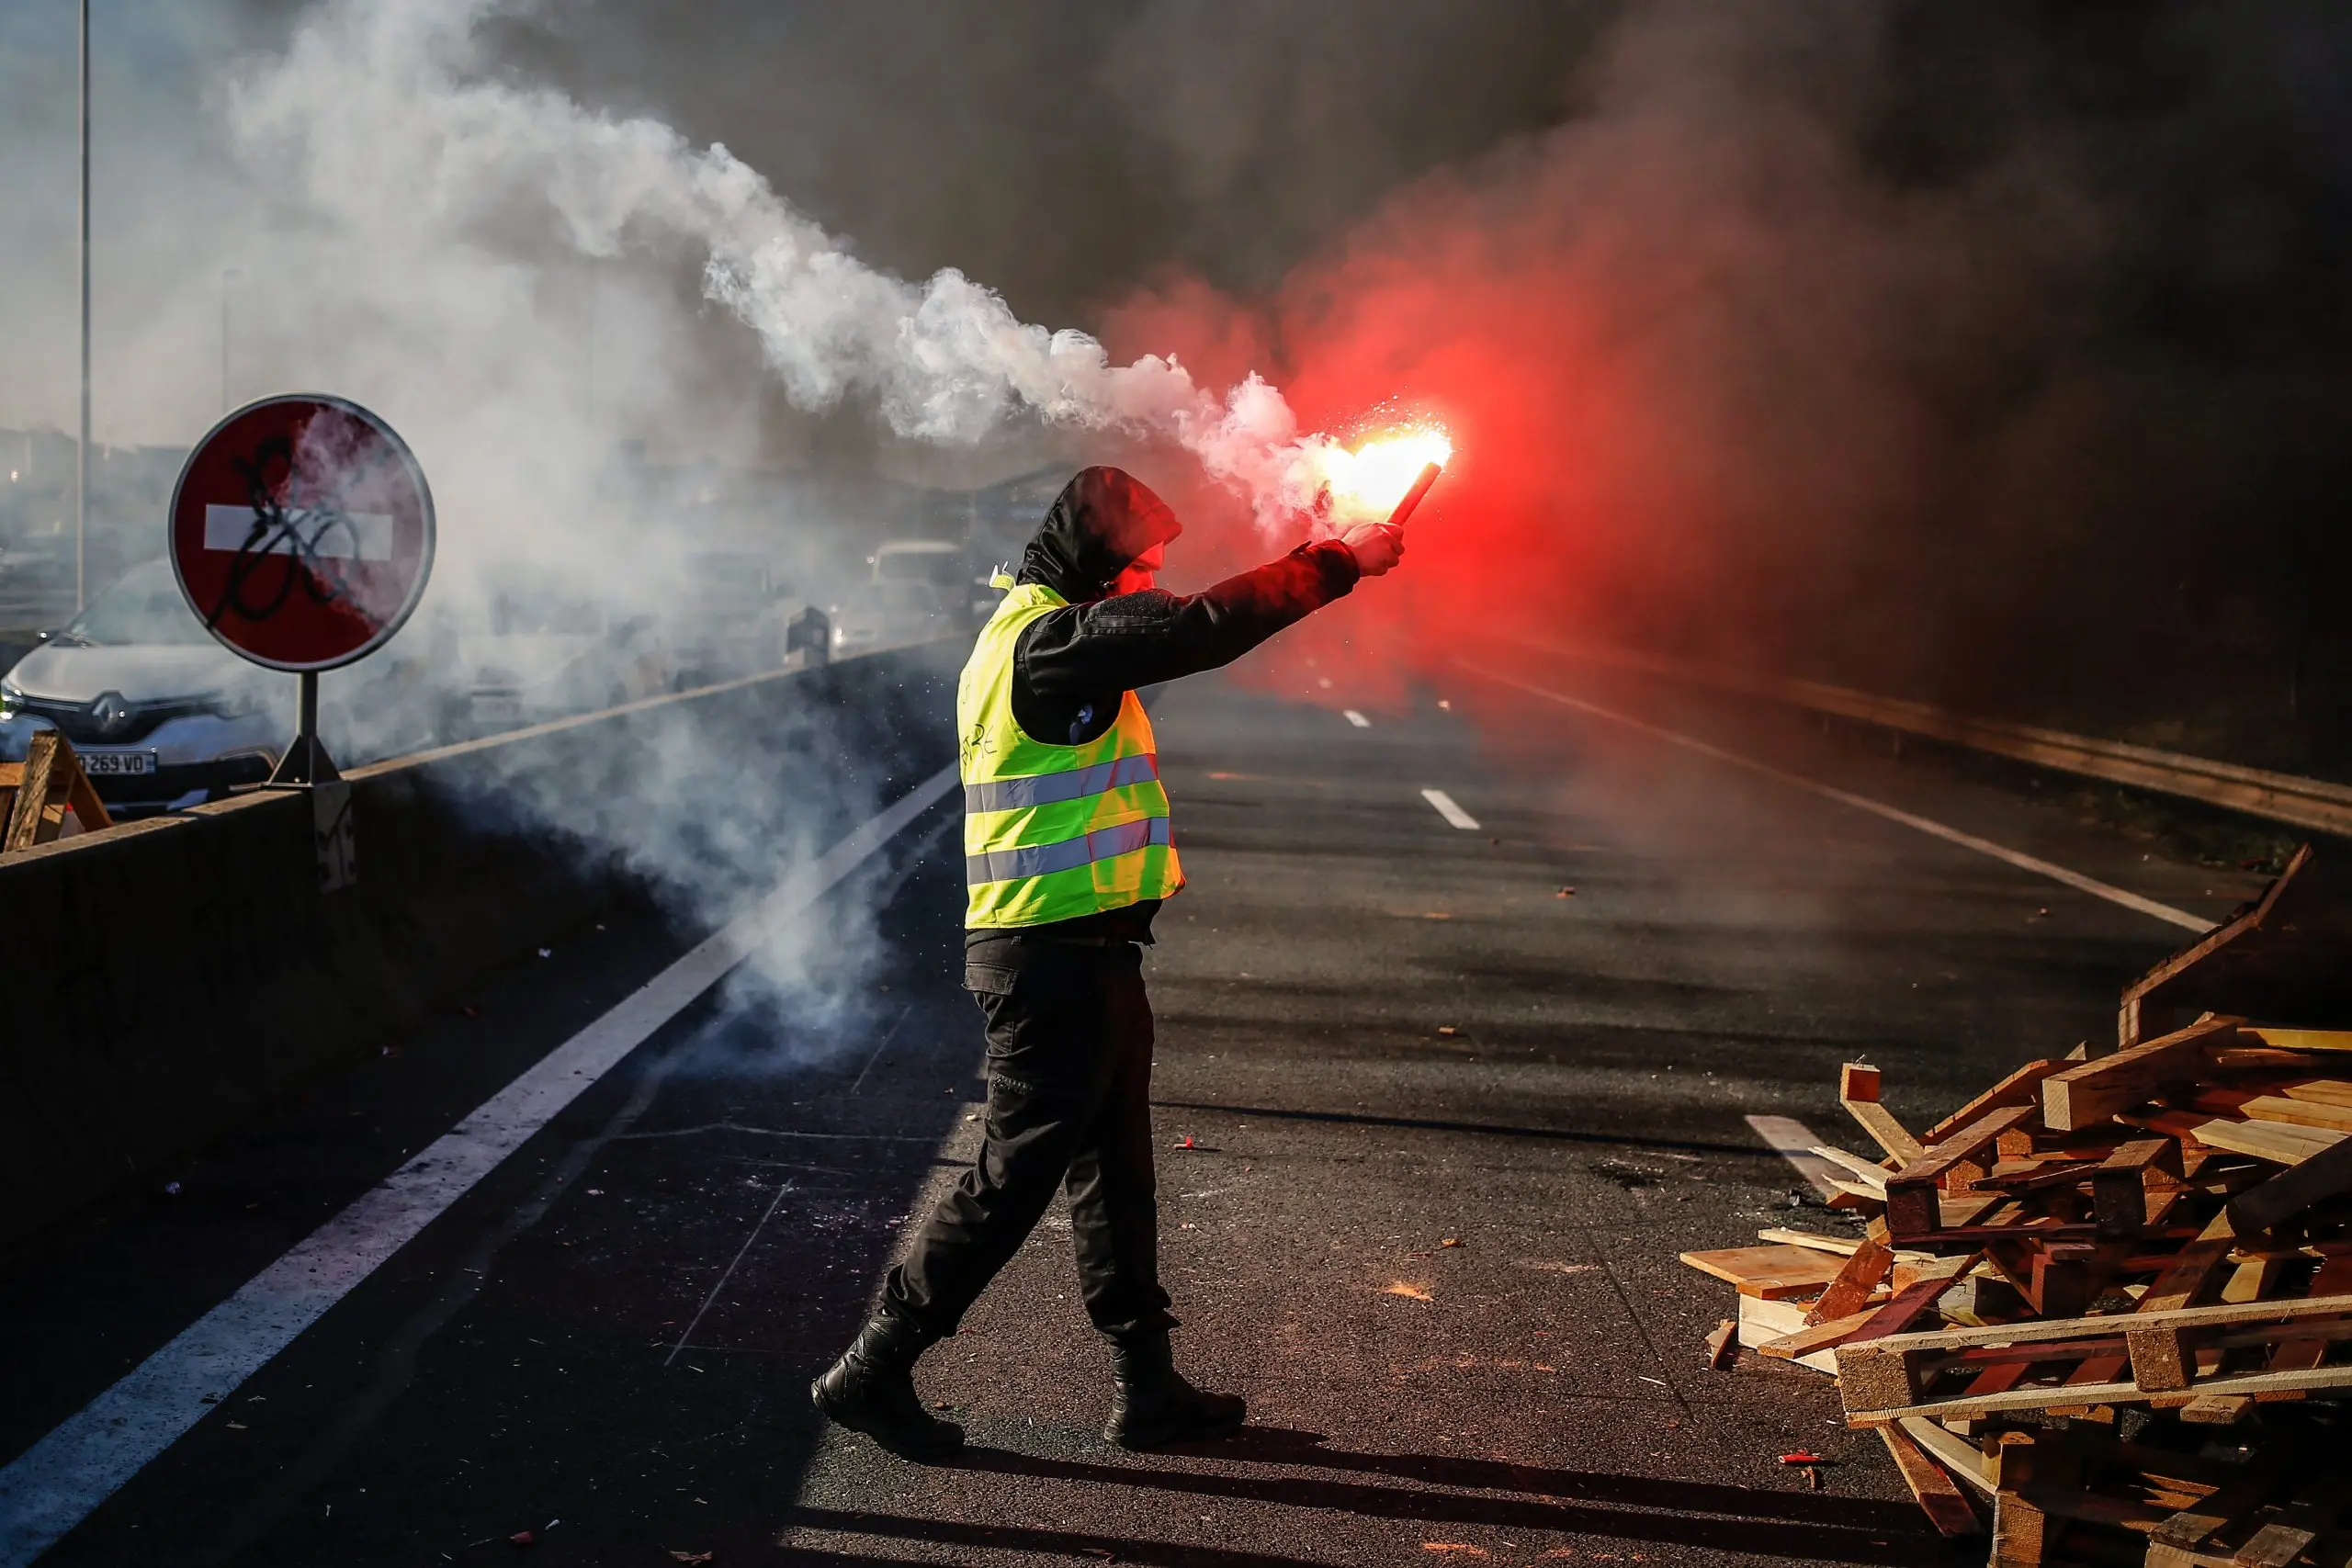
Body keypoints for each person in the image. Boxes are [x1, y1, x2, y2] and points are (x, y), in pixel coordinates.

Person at [811, 465, 1406, 1458]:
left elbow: (1179, 624)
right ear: (1096, 566)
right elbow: (1194, 626)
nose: (1145, 589)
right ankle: (873, 1367)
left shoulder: (1047, 636)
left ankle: (1146, 1385)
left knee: (1115, 1175)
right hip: (1049, 959)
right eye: (1138, 571)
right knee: (1011, 1179)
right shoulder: (1048, 642)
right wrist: (1334, 561)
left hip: (1086, 952)